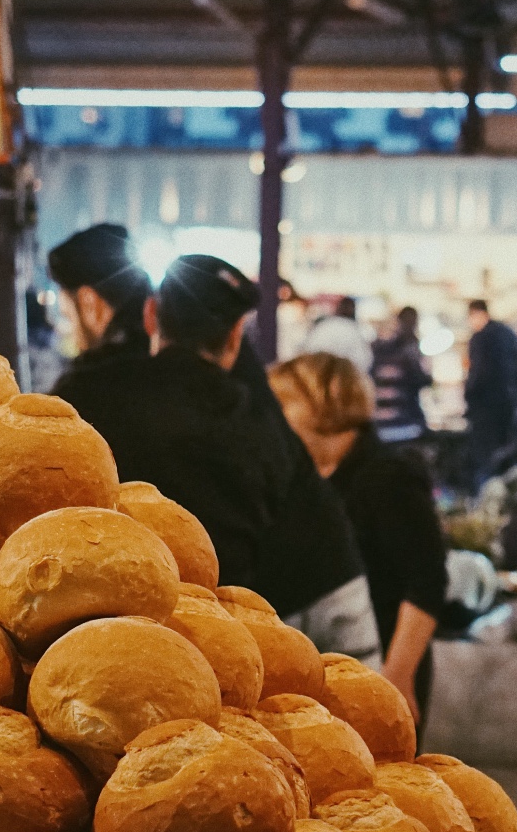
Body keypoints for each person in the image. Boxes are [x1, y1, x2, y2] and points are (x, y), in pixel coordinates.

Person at [65, 254, 380, 662]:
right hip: (247, 647)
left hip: (101, 640)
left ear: (151, 316)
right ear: (235, 336)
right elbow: (327, 570)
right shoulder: (261, 423)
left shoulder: (85, 396)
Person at [270, 353, 447, 723]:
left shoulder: (389, 476)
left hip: (384, 662)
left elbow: (427, 581)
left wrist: (397, 675)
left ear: (319, 407)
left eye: (282, 405)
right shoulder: (301, 476)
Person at [47, 224, 154, 413]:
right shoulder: (183, 372)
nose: (70, 333)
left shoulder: (83, 393)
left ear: (89, 304)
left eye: (69, 317)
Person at [464, 299, 517, 490]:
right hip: (508, 405)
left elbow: (478, 374)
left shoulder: (481, 338)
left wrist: (468, 397)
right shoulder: (507, 334)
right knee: (504, 455)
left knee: (484, 459)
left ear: (476, 313)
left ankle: (486, 497)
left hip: (485, 409)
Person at [371, 306, 434, 442]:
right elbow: (423, 380)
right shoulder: (410, 350)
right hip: (406, 423)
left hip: (380, 426)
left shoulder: (376, 351)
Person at [302, 295, 373, 374]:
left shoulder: (324, 326)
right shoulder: (354, 330)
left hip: (318, 374)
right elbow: (364, 360)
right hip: (344, 377)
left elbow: (308, 350)